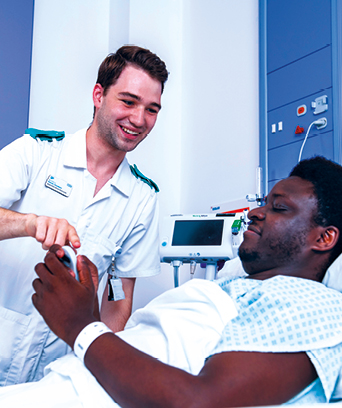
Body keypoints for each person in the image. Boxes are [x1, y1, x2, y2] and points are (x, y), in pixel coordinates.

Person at [2, 156, 342, 408]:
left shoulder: (314, 304)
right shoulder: (235, 290)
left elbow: (200, 401)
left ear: (325, 238)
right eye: (264, 202)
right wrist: (89, 313)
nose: (254, 212)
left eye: (279, 208)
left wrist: (81, 328)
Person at [0, 45, 169, 385]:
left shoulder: (141, 199)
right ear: (98, 95)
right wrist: (31, 224)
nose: (139, 119)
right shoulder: (36, 153)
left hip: (55, 376)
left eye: (152, 109)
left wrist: (97, 369)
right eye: (128, 101)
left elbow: (118, 299)